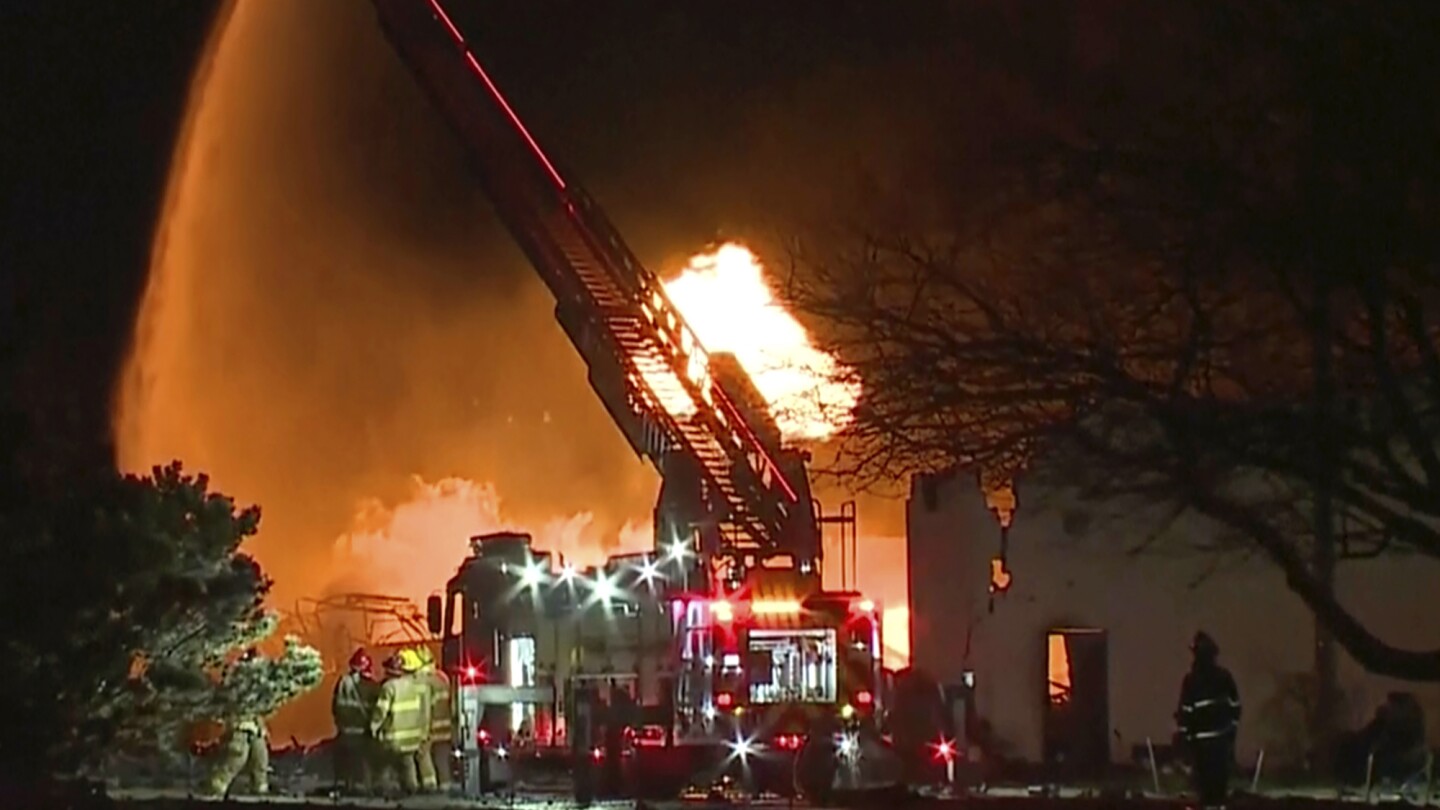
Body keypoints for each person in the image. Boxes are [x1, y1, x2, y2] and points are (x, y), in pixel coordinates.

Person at [1175, 631, 1241, 809]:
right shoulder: (1224, 678)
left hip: (1203, 750)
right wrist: (1230, 736)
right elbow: (1235, 709)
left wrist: (1186, 744)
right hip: (1220, 748)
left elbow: (1184, 716)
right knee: (1218, 794)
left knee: (1206, 795)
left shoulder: (1191, 681)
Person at [204, 648, 270, 796]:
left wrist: (261, 726)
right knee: (236, 757)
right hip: (240, 723)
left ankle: (259, 789)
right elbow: (229, 699)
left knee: (260, 758)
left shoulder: (259, 683)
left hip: (254, 724)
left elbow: (261, 704)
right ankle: (217, 787)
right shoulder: (236, 680)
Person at [370, 652, 428, 796]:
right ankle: (412, 790)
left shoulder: (388, 687)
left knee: (384, 764)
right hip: (412, 737)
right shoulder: (413, 686)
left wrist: (373, 726)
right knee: (408, 763)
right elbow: (420, 711)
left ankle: (383, 790)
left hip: (394, 738)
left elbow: (381, 711)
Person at [332, 647, 378, 794]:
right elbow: (377, 710)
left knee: (344, 762)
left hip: (345, 731)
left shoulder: (342, 682)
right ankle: (362, 790)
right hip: (362, 733)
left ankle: (344, 787)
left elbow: (335, 707)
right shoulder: (371, 686)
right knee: (362, 763)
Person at [414, 646, 452, 793]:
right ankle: (445, 787)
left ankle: (429, 788)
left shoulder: (424, 682)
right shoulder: (442, 677)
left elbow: (424, 708)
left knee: (423, 755)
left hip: (431, 728)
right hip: (446, 727)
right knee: (442, 759)